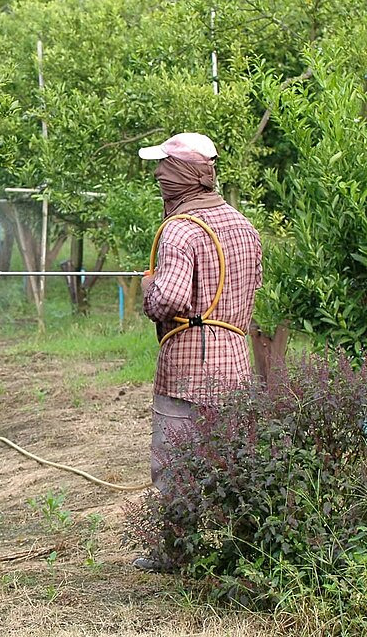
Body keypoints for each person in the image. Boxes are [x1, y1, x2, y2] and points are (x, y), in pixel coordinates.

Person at [134, 132, 263, 571]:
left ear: (184, 176)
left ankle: (175, 553)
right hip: (235, 363)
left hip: (187, 366)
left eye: (164, 168)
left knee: (173, 464)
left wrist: (148, 287)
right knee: (231, 459)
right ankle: (240, 550)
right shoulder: (244, 226)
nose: (157, 175)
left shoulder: (179, 230)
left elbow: (167, 300)